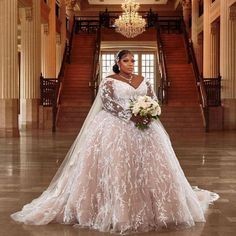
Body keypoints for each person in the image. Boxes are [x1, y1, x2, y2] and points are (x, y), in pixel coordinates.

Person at [11, 50, 219, 234]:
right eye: (126, 61)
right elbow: (109, 104)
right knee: (119, 166)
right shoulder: (109, 81)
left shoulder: (143, 80)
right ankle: (116, 210)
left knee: (151, 167)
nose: (131, 64)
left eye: (132, 61)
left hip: (146, 126)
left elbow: (154, 100)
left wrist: (149, 111)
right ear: (118, 62)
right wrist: (131, 115)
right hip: (115, 126)